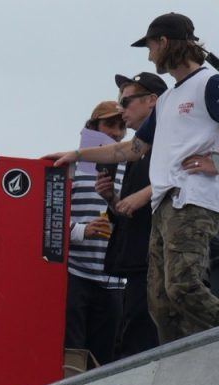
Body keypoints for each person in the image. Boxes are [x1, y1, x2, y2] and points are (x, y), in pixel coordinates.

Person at [49, 13, 219, 344]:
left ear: (164, 43)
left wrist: (216, 160)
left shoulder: (209, 83)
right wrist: (78, 155)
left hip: (194, 201)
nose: (149, 55)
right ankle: (188, 368)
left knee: (183, 286)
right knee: (160, 302)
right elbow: (130, 149)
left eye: (151, 46)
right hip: (162, 208)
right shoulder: (168, 99)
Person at [99, 73, 168, 358]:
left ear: (152, 101)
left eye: (125, 102)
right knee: (132, 339)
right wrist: (112, 199)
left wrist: (145, 193)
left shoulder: (171, 140)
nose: (121, 110)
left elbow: (186, 176)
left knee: (150, 338)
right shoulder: (136, 153)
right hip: (136, 261)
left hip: (163, 258)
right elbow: (127, 212)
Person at [64, 101, 128, 366]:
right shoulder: (72, 165)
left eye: (121, 126)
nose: (115, 132)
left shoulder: (131, 166)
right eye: (109, 124)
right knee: (71, 355)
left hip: (114, 280)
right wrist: (82, 230)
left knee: (105, 361)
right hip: (75, 275)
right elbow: (50, 220)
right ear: (93, 127)